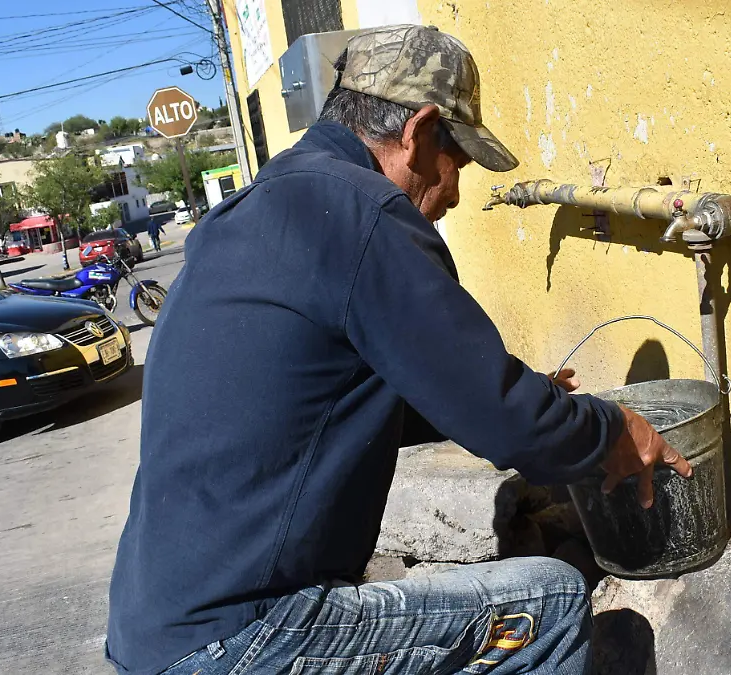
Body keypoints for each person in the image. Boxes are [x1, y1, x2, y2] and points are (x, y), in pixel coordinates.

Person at [106, 25, 692, 675]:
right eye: (458, 163)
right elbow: (507, 423)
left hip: (158, 629)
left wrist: (533, 396)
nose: (454, 193)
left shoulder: (268, 205)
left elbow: (361, 395)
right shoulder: (367, 215)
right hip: (243, 636)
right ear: (420, 130)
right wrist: (613, 428)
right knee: (546, 601)